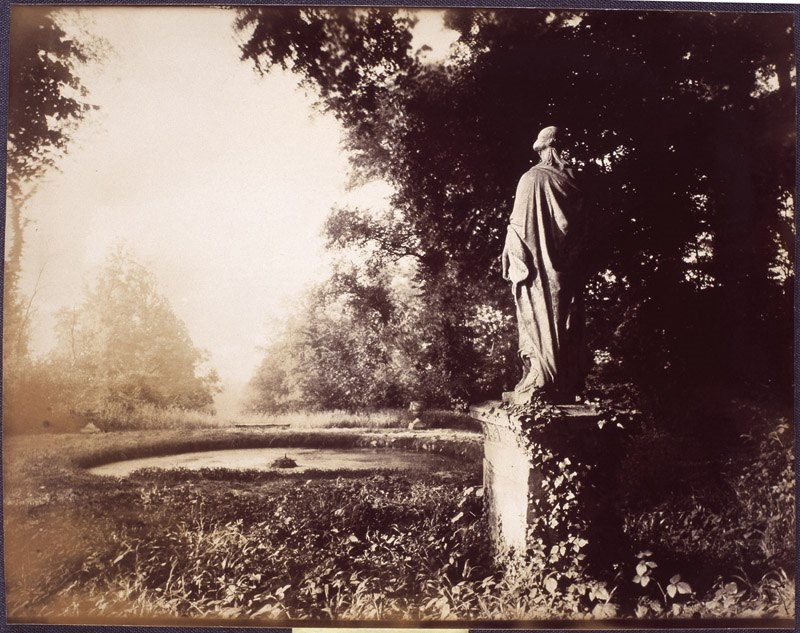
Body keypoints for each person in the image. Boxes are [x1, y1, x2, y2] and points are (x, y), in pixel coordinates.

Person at [501, 126, 590, 404]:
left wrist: (510, 253)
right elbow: (583, 232)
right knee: (565, 319)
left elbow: (519, 228)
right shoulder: (578, 184)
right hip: (567, 271)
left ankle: (542, 376)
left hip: (536, 273)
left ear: (544, 149)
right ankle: (563, 379)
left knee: (537, 319)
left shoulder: (531, 179)